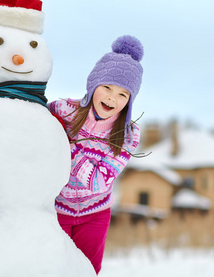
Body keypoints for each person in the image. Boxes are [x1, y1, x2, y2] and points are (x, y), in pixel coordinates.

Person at [48, 35, 144, 274]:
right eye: (107, 87)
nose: (112, 97)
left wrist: (66, 145)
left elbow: (98, 180)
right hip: (55, 208)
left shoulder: (128, 135)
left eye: (123, 94)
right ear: (93, 86)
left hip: (95, 214)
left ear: (129, 102)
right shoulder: (62, 111)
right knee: (51, 267)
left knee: (86, 271)